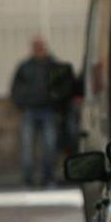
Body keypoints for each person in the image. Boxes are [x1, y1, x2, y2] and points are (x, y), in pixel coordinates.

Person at [9, 37, 72, 187]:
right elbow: (15, 89)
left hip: (49, 112)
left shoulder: (54, 65)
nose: (39, 49)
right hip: (29, 112)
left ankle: (48, 179)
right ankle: (28, 181)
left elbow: (63, 88)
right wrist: (21, 105)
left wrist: (58, 106)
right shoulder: (24, 67)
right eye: (36, 46)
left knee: (50, 148)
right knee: (27, 149)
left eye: (41, 46)